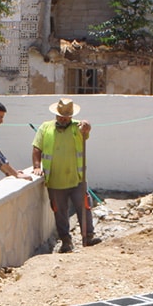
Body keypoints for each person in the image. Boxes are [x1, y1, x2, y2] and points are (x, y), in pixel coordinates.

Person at [31, 97, 101, 253]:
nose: (63, 119)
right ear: (56, 114)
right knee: (60, 212)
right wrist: (37, 167)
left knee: (84, 207)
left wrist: (87, 127)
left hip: (77, 179)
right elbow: (37, 148)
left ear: (71, 116)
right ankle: (66, 242)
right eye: (60, 115)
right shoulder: (45, 128)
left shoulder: (78, 127)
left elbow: (86, 131)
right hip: (55, 181)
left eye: (66, 116)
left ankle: (88, 237)